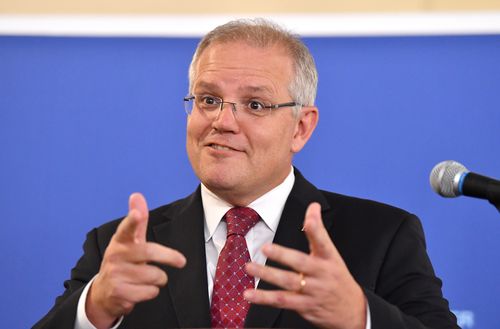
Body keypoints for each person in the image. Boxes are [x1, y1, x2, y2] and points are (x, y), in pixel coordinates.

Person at [33, 18, 459, 329]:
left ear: (301, 127)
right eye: (208, 99)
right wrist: (95, 311)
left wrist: (360, 317)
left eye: (255, 105)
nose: (222, 121)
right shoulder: (119, 247)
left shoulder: (380, 236)